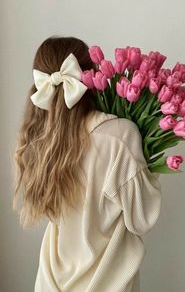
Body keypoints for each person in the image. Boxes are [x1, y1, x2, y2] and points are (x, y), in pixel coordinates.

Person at [13, 35, 162, 292]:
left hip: (50, 282)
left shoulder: (37, 139)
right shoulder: (119, 136)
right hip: (108, 282)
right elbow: (142, 218)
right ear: (90, 75)